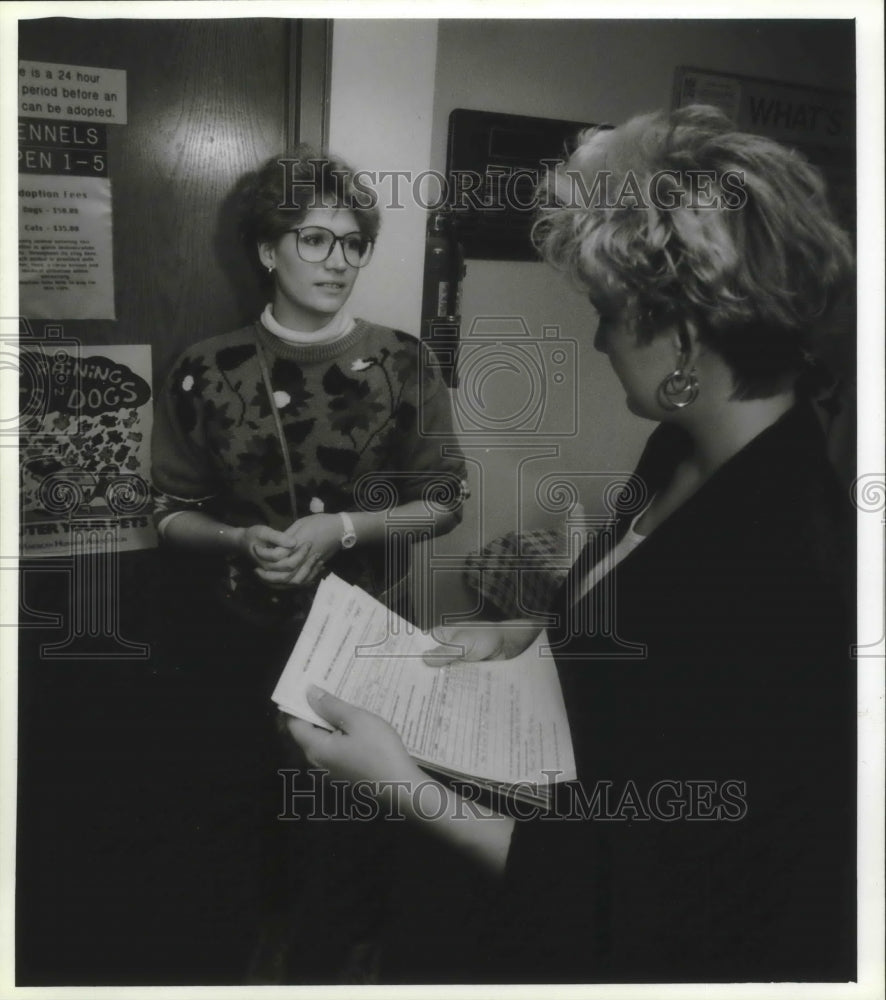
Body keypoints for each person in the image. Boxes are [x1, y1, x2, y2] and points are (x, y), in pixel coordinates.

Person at [284, 106, 856, 984]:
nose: (596, 340)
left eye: (607, 313)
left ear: (684, 341)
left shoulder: (787, 570)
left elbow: (651, 897)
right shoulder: (677, 448)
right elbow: (645, 631)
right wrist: (519, 637)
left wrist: (402, 785)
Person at [149, 146, 467, 981]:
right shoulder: (204, 369)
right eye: (316, 239)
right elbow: (167, 512)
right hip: (234, 648)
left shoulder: (404, 362)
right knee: (248, 832)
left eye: (354, 243)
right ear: (268, 249)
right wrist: (236, 540)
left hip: (363, 646)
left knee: (352, 834)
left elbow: (445, 502)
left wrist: (345, 531)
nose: (339, 261)